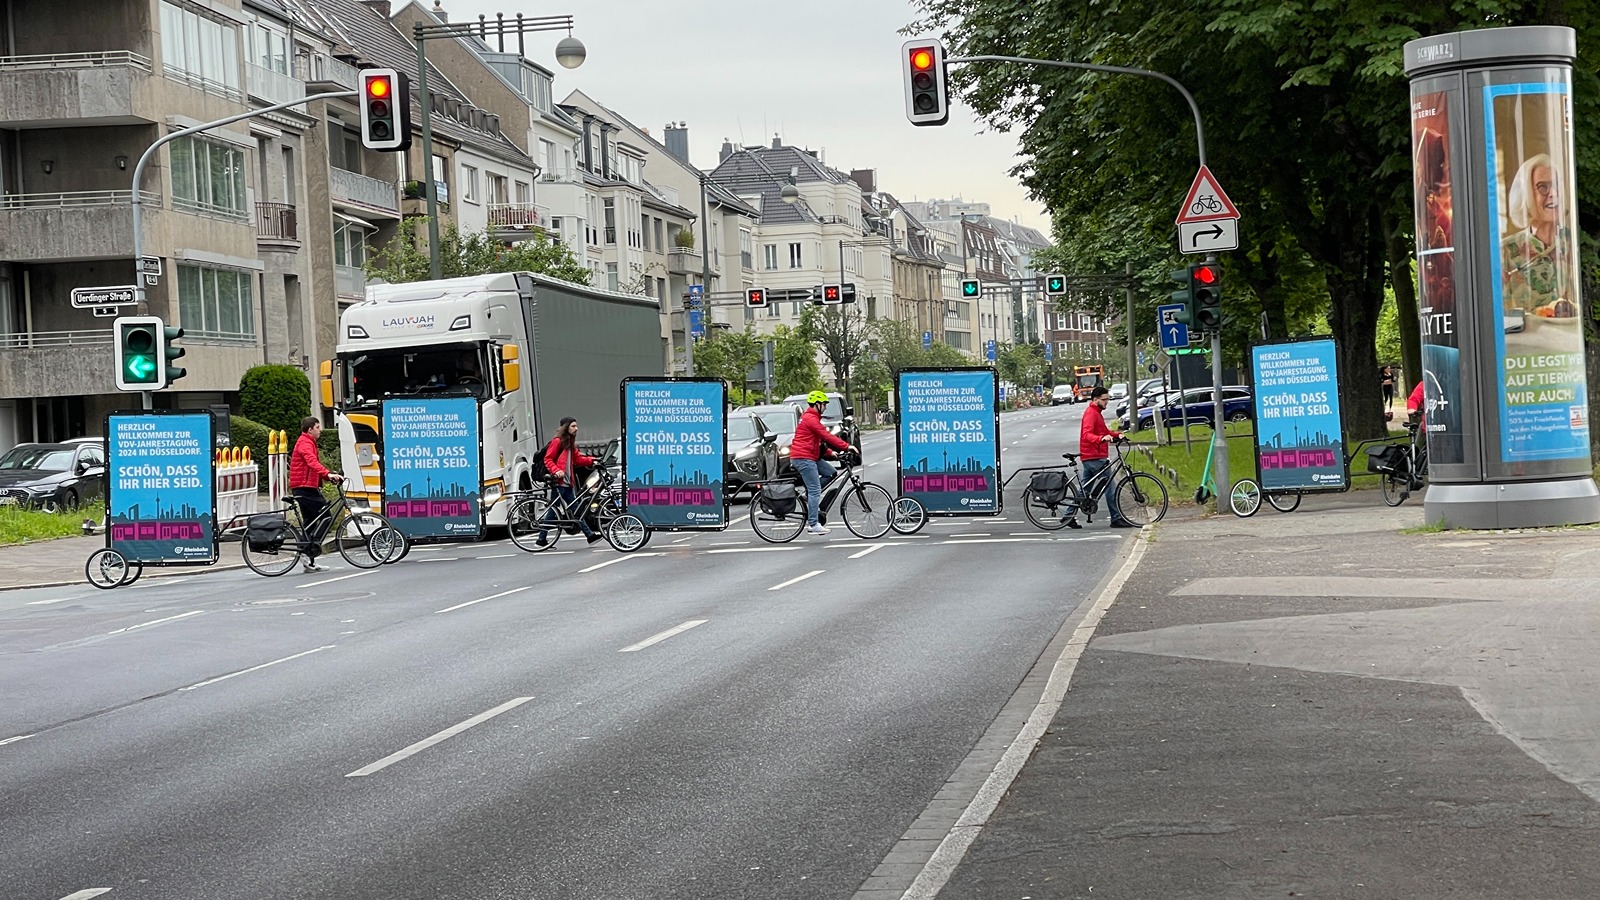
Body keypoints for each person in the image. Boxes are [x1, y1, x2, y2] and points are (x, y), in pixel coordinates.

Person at [1501, 153, 1576, 317]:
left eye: (1557, 185)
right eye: (1543, 187)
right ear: (1525, 195)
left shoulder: (1575, 244)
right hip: (1524, 341)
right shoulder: (1504, 252)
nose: (1554, 194)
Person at [1066, 386, 1135, 530]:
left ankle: (1068, 517)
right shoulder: (1091, 414)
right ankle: (1116, 518)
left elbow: (1104, 431)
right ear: (1095, 399)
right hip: (1094, 457)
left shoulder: (1096, 412)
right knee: (1110, 488)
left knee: (1085, 490)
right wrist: (1102, 439)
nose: (1107, 402)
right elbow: (1087, 435)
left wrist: (1117, 435)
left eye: (1108, 399)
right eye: (1104, 400)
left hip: (1092, 456)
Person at [790, 390, 857, 536]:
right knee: (815, 490)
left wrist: (830, 453)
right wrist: (846, 446)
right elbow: (826, 436)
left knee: (831, 472)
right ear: (817, 404)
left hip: (810, 456)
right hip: (803, 458)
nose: (825, 407)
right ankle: (813, 524)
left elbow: (816, 442)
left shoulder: (812, 418)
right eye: (824, 404)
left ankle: (807, 496)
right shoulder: (810, 419)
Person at [288, 416, 343, 573]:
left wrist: (328, 476)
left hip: (306, 486)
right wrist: (328, 473)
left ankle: (309, 560)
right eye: (318, 427)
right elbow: (311, 462)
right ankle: (309, 548)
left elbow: (312, 467)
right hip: (304, 487)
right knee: (326, 515)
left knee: (310, 521)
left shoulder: (308, 442)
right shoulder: (305, 443)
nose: (321, 430)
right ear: (310, 429)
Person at [538, 416, 600, 546]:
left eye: (576, 426)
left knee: (575, 509)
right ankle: (541, 538)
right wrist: (556, 471)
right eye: (573, 426)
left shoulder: (570, 443)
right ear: (566, 427)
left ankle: (590, 536)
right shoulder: (557, 441)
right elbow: (548, 459)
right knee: (553, 510)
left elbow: (578, 459)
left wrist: (592, 460)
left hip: (567, 482)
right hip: (559, 482)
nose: (576, 428)